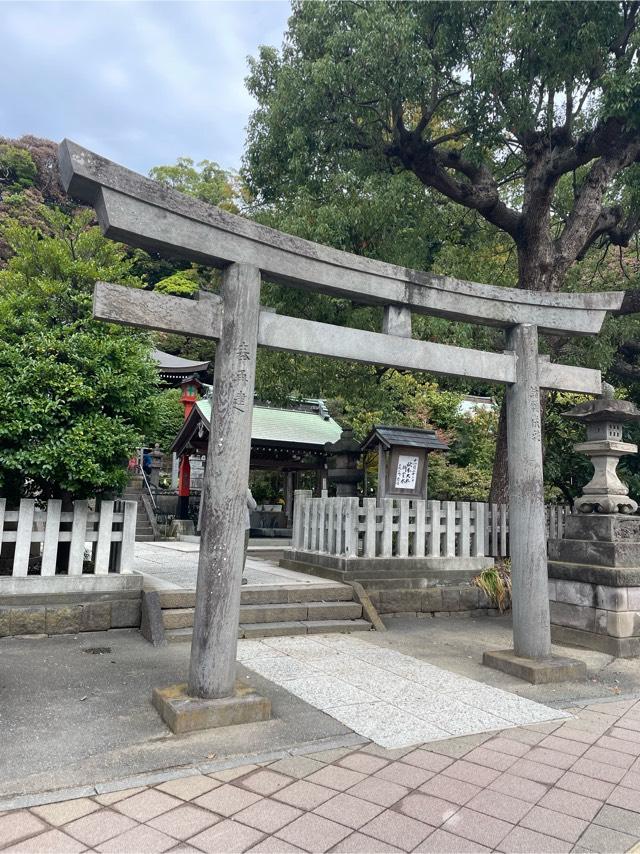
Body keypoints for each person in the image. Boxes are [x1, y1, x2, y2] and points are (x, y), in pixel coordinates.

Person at [242, 487, 257, 584]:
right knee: (242, 551)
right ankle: (238, 576)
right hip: (243, 526)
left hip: (229, 525)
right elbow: (253, 505)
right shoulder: (245, 490)